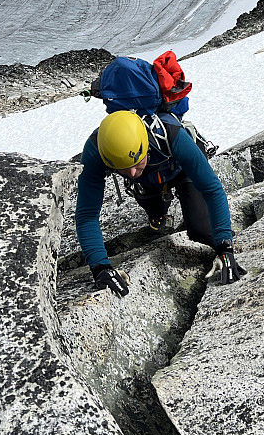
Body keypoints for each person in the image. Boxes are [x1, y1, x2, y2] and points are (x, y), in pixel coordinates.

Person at [75, 110, 243, 296]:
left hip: (181, 169)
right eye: (123, 169)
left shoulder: (170, 133)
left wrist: (225, 247)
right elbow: (87, 214)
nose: (131, 173)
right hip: (147, 179)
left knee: (201, 230)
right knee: (156, 214)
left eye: (136, 163)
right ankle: (158, 213)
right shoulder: (95, 151)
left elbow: (212, 189)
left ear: (145, 145)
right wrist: (100, 268)